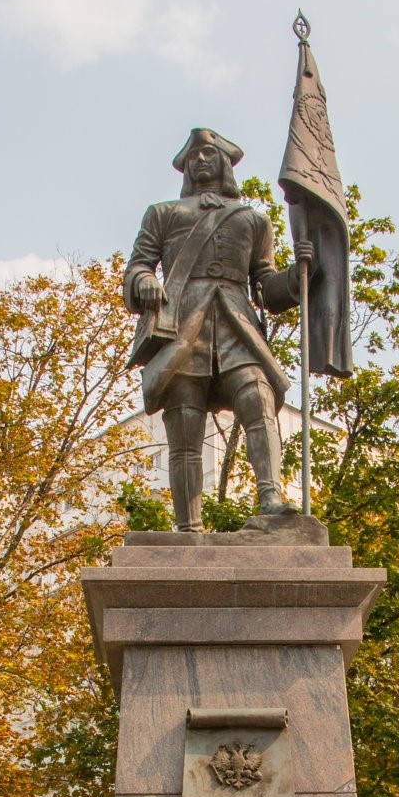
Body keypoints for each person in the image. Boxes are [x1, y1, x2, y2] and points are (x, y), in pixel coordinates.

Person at [124, 128, 314, 532]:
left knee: (257, 395)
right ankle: (188, 528)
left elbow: (264, 284)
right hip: (183, 327)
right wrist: (142, 281)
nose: (200, 160)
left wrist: (298, 281)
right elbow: (139, 263)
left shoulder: (253, 220)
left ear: (225, 163)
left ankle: (271, 498)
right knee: (185, 425)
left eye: (209, 153)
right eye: (193, 155)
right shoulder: (163, 213)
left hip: (236, 325)